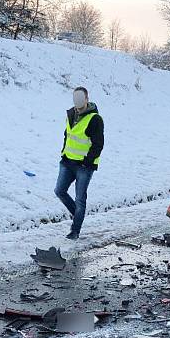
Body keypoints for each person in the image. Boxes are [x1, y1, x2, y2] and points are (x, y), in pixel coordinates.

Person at [54, 86, 104, 240]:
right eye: (75, 98)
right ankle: (78, 214)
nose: (78, 101)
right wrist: (64, 153)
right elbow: (67, 135)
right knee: (59, 191)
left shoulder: (95, 119)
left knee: (80, 199)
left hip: (84, 166)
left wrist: (87, 162)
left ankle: (75, 231)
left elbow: (98, 144)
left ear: (87, 99)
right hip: (67, 162)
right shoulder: (70, 114)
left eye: (81, 98)